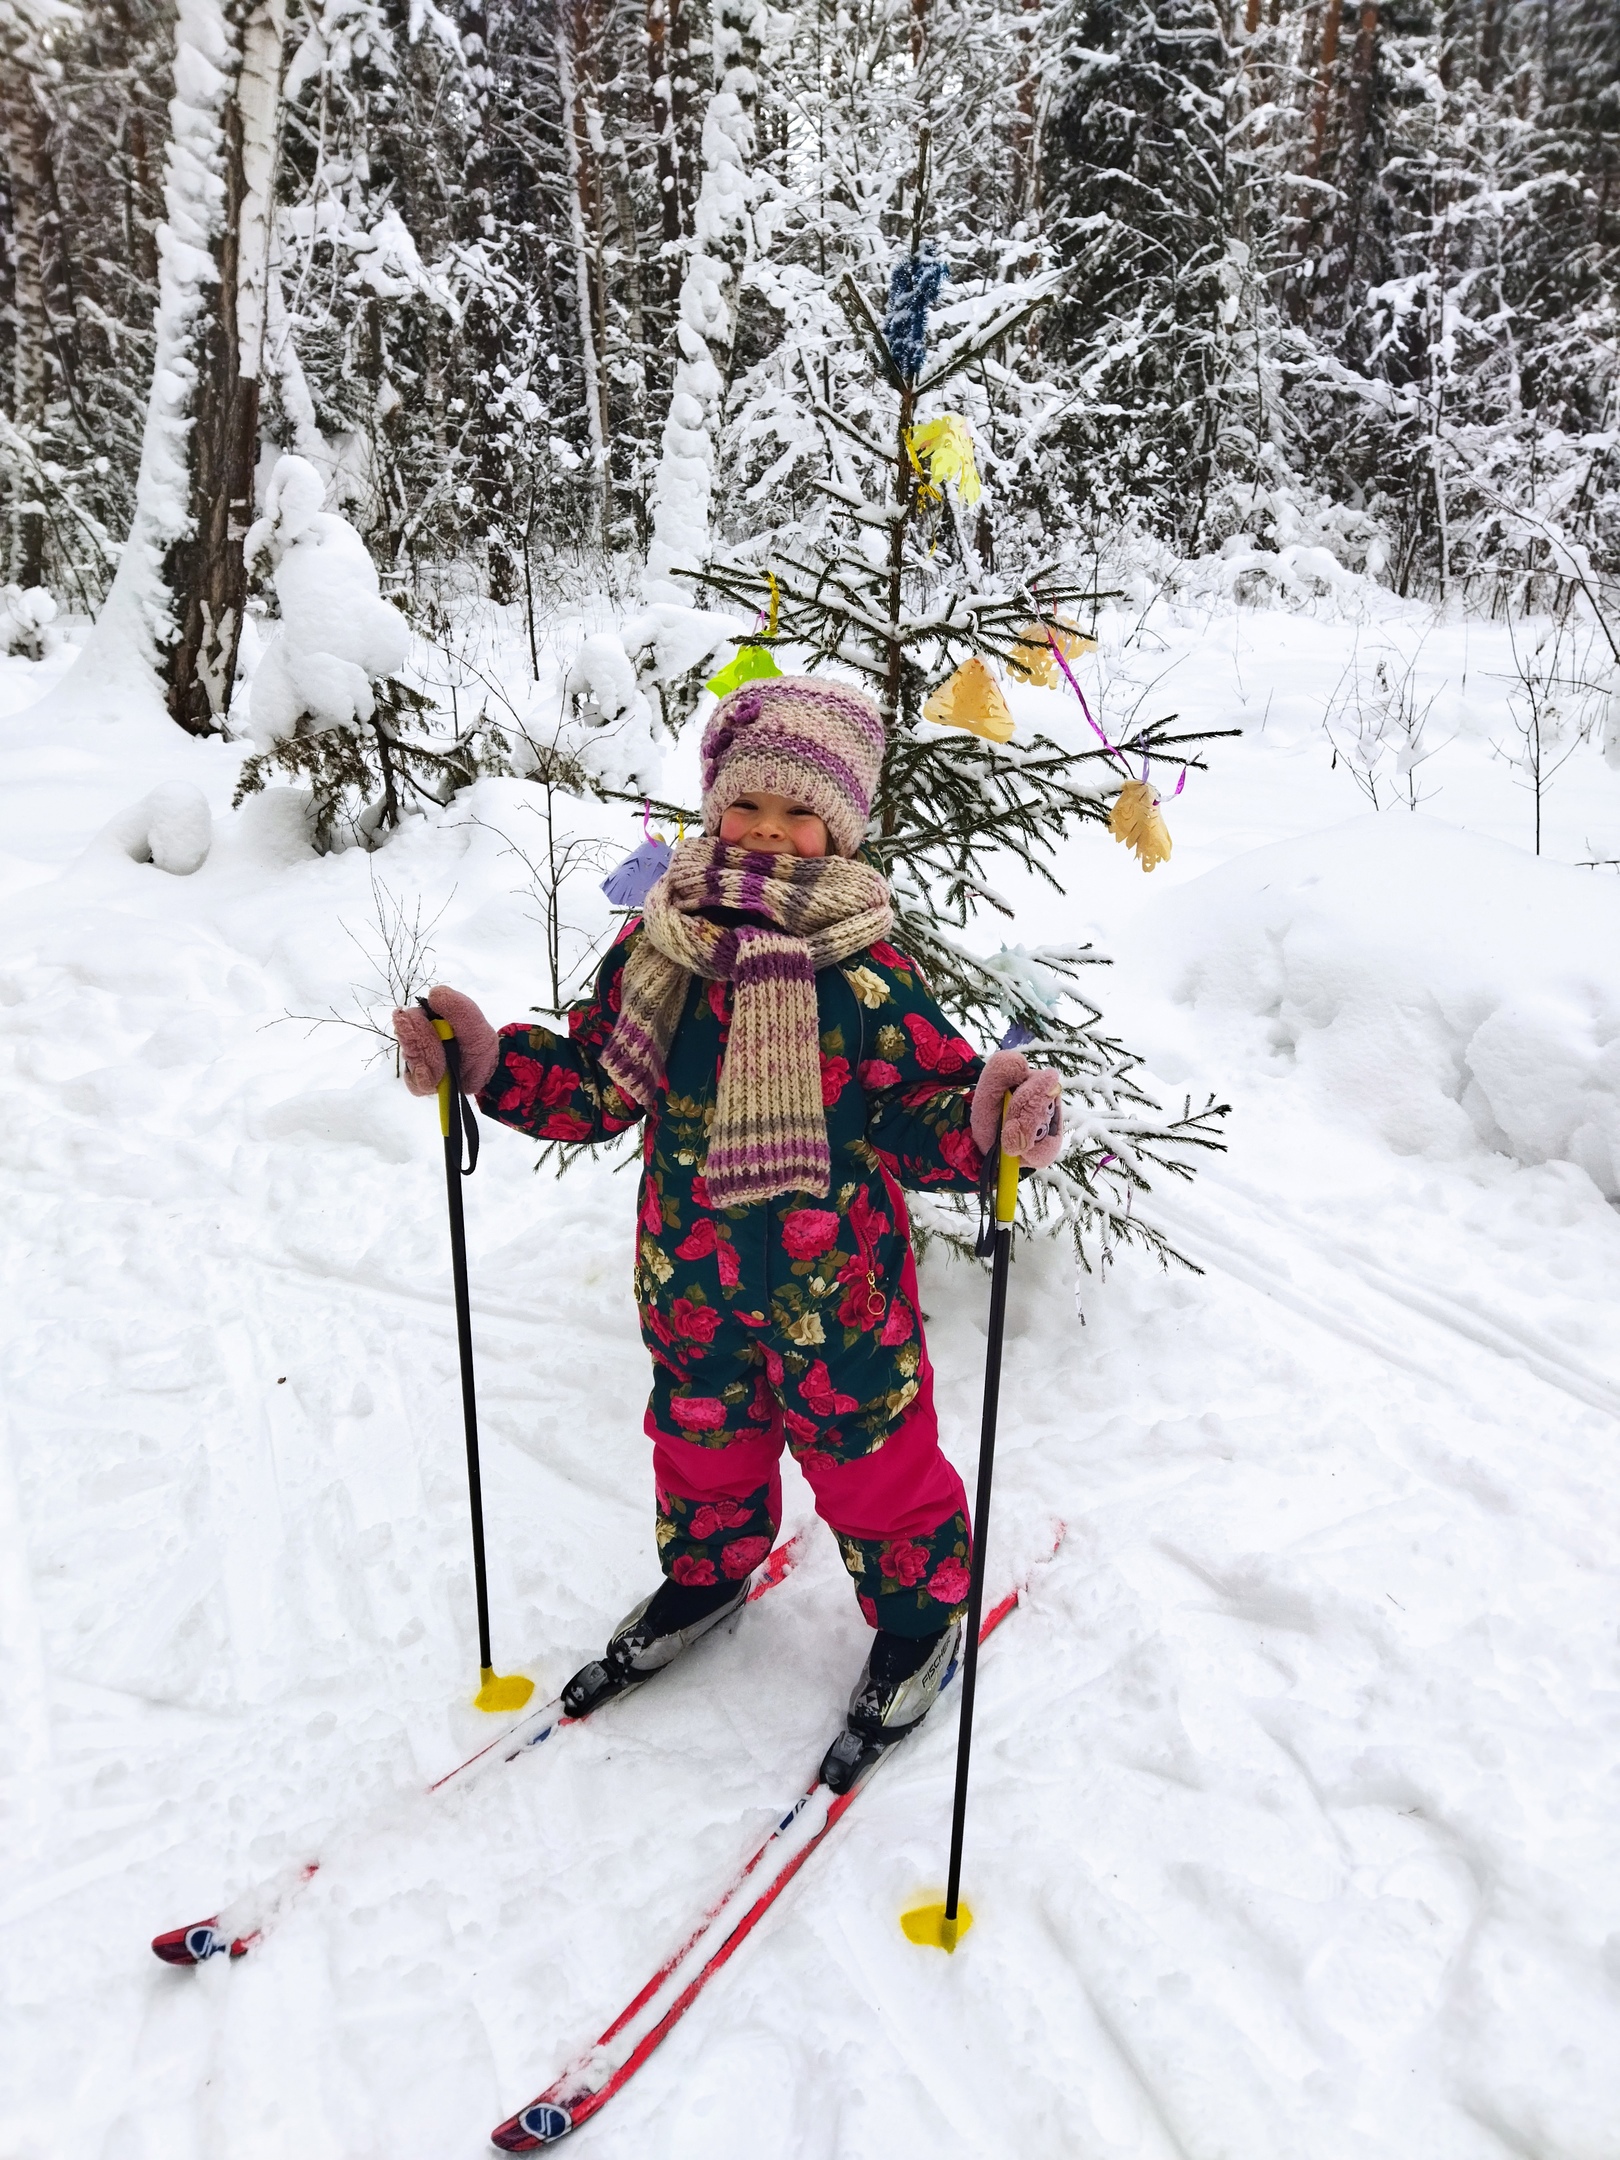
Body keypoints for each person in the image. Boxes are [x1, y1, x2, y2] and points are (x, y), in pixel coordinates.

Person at [393, 674, 1063, 1790]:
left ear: (839, 826)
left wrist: (987, 1124)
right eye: (746, 804)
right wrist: (489, 1063)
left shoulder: (864, 968)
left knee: (873, 1463)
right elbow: (598, 1085)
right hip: (691, 1276)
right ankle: (707, 1573)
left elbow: (921, 1112)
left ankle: (916, 1616)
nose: (765, 829)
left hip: (838, 1297)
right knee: (700, 1445)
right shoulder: (660, 945)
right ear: (713, 809)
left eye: (797, 811)